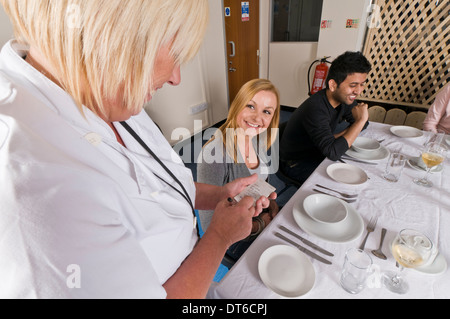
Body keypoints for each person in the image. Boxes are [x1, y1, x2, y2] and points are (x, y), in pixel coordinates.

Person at [0, 0, 274, 299]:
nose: (175, 78)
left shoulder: (110, 94)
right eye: (173, 52)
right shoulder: (34, 183)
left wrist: (220, 195)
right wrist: (220, 236)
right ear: (108, 34)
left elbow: (159, 185)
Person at [197, 79, 280, 267]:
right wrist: (259, 225)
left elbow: (263, 186)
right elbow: (211, 227)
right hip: (234, 237)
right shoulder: (213, 155)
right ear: (237, 106)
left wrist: (271, 204)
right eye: (251, 106)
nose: (258, 118)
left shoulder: (257, 141)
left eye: (266, 111)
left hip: (259, 217)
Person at [279, 51, 372, 185]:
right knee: (346, 183)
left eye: (362, 84)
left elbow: (364, 123)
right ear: (333, 85)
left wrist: (338, 137)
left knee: (361, 168)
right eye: (353, 85)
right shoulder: (316, 108)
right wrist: (359, 121)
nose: (358, 91)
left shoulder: (344, 98)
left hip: (316, 151)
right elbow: (333, 153)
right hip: (296, 164)